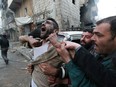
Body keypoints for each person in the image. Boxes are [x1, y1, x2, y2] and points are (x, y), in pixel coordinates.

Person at [50, 16, 116, 87]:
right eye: (94, 34)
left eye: (99, 35)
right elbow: (88, 71)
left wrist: (67, 59)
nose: (93, 38)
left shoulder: (112, 62)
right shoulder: (99, 53)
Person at [27, 18, 66, 87]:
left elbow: (72, 68)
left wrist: (56, 72)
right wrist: (32, 65)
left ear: (55, 30)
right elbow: (21, 38)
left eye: (47, 22)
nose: (43, 23)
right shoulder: (37, 43)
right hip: (32, 83)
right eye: (43, 22)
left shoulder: (61, 47)